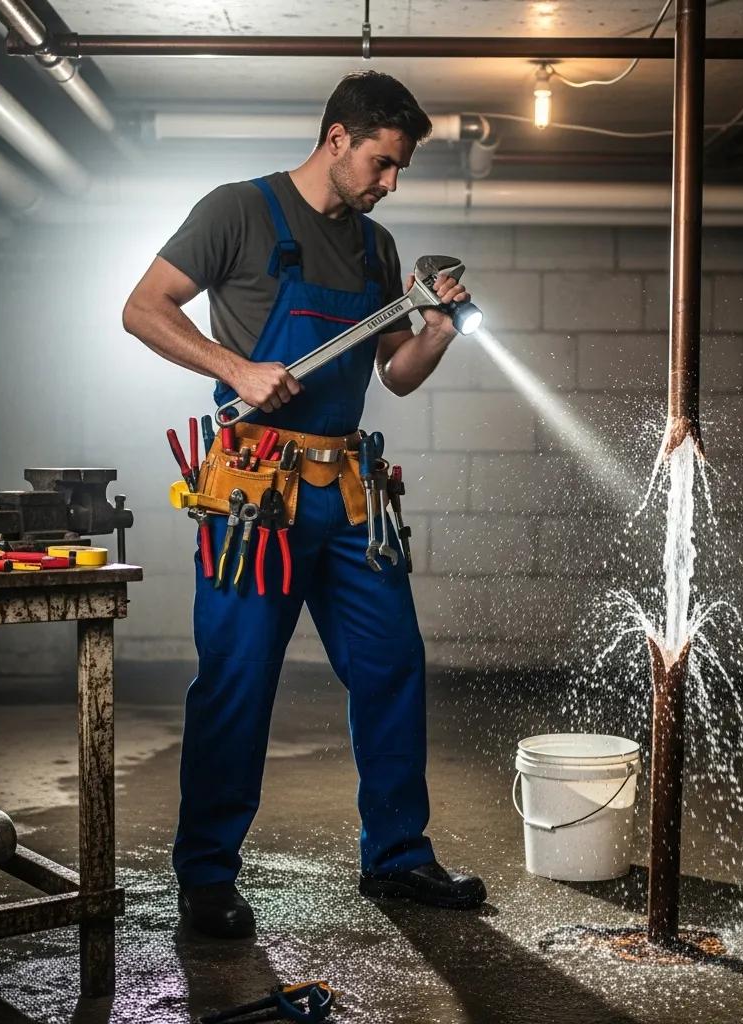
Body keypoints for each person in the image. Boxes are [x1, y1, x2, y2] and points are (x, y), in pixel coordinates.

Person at [122, 71, 487, 939]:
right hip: (258, 497)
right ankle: (206, 876)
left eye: (398, 171)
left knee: (394, 664)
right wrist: (234, 368)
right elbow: (143, 309)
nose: (389, 184)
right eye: (383, 163)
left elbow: (394, 374)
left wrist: (437, 328)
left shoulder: (375, 250)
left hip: (350, 494)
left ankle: (398, 857)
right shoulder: (237, 211)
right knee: (238, 683)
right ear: (338, 138)